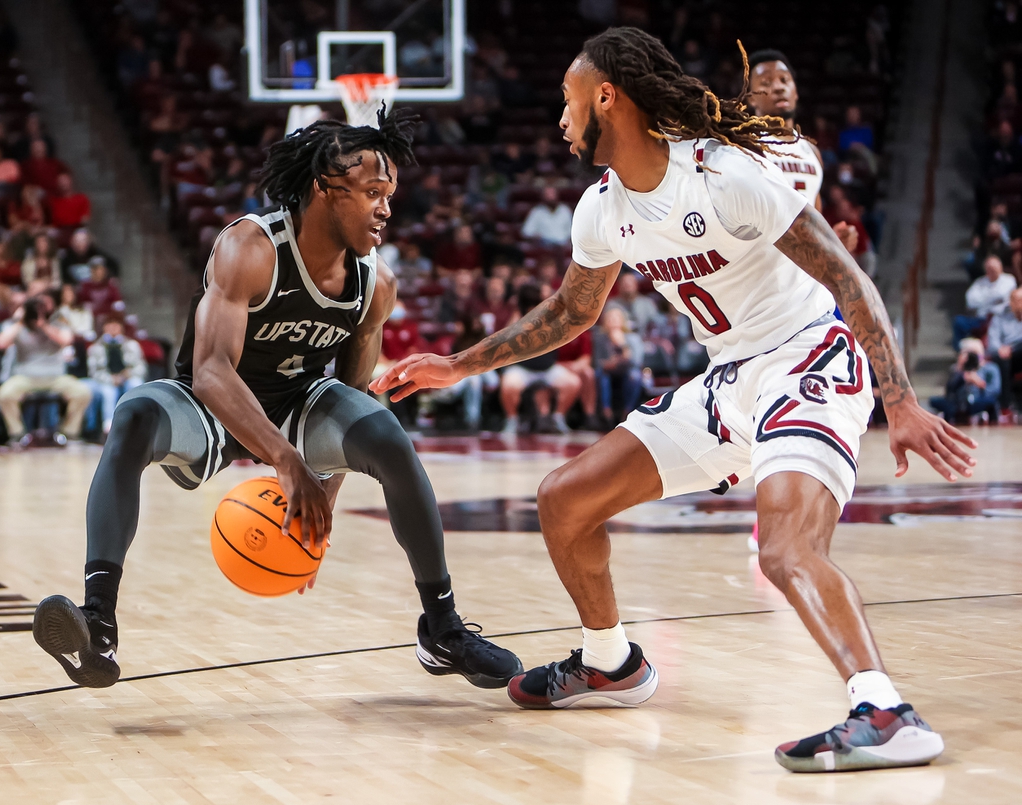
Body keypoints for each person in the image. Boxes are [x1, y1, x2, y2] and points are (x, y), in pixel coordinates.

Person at [373, 27, 973, 773]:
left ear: (606, 96)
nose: (560, 120)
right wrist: (458, 365)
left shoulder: (727, 175)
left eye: (568, 101)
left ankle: (884, 708)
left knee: (786, 549)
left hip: (806, 358)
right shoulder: (601, 207)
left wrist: (901, 400)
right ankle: (610, 663)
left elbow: (850, 278)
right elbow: (570, 312)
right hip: (726, 382)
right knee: (564, 499)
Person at [31, 109, 521, 692]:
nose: (386, 208)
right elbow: (212, 372)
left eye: (389, 194)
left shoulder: (375, 282)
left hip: (299, 404)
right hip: (214, 403)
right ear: (324, 188)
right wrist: (289, 464)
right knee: (134, 415)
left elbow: (355, 393)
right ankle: (98, 621)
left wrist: (325, 501)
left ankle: (441, 628)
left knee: (387, 435)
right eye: (371, 193)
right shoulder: (250, 247)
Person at [748, 50, 860, 253]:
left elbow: (813, 219)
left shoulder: (811, 151)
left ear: (796, 91)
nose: (778, 87)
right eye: (766, 82)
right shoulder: (745, 146)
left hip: (801, 278)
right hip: (760, 271)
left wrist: (833, 241)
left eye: (784, 80)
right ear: (751, 98)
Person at [0, 293, 92, 446]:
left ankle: (69, 433)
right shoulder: (17, 326)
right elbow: (0, 344)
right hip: (25, 378)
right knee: (4, 394)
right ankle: (18, 434)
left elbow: (66, 341)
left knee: (82, 392)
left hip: (55, 378)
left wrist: (43, 325)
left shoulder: (58, 324)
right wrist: (20, 321)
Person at [497, 283, 581, 434]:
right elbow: (507, 338)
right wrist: (519, 314)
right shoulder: (519, 314)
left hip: (548, 368)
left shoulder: (552, 315)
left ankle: (558, 418)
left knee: (573, 383)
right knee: (508, 386)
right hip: (523, 368)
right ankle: (512, 420)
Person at [87, 312, 147, 434]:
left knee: (135, 384)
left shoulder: (132, 345)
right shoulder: (95, 348)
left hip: (127, 378)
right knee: (108, 392)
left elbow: (141, 368)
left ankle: (137, 424)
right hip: (106, 380)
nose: (113, 328)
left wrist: (127, 374)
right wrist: (111, 379)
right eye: (109, 324)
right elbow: (93, 372)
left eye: (116, 324)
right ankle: (108, 427)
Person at [929, 339, 1001, 424]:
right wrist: (960, 373)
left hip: (978, 400)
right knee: (944, 404)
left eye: (974, 354)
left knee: (992, 403)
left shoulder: (990, 368)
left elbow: (995, 391)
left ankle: (994, 429)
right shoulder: (956, 369)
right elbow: (949, 391)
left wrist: (980, 384)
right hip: (957, 403)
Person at [592, 306, 643, 424]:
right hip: (607, 371)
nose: (613, 320)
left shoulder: (633, 338)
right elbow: (597, 361)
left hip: (627, 370)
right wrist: (610, 363)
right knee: (601, 376)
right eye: (609, 318)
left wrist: (621, 343)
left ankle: (627, 412)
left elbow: (636, 361)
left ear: (622, 320)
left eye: (616, 318)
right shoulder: (600, 338)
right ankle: (606, 412)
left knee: (635, 376)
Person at [954, 255, 1016, 348]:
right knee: (958, 321)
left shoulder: (1009, 280)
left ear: (1000, 267)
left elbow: (1001, 294)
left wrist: (983, 298)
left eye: (995, 268)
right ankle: (960, 352)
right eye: (990, 268)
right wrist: (992, 299)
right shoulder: (980, 282)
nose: (992, 270)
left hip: (999, 317)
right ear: (986, 270)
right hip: (980, 318)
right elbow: (970, 300)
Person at [988, 287, 1022, 411]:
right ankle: (1005, 406)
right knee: (1003, 361)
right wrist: (1001, 349)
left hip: (1018, 350)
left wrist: (1012, 348)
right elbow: (992, 342)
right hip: (1004, 355)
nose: (1020, 304)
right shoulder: (1000, 317)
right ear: (1011, 301)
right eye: (1017, 300)